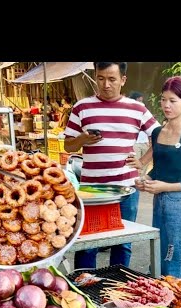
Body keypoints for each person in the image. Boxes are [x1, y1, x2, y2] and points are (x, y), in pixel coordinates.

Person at [63, 62, 159, 269]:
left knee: (122, 242)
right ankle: (83, 289)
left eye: (112, 79)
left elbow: (159, 137)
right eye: (100, 78)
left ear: (123, 80)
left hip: (127, 189)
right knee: (87, 243)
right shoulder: (82, 107)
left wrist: (142, 162)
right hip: (91, 189)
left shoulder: (137, 109)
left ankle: (117, 285)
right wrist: (82, 139)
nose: (106, 84)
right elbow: (67, 145)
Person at [130, 76, 181, 280]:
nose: (166, 105)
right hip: (159, 203)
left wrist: (166, 186)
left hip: (180, 206)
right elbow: (161, 168)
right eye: (163, 99)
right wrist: (145, 179)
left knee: (178, 262)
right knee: (161, 257)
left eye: (172, 101)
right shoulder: (156, 132)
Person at [127, 91, 151, 164]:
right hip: (135, 144)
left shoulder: (144, 112)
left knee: (144, 165)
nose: (141, 103)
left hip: (145, 143)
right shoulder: (128, 113)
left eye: (142, 101)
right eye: (139, 101)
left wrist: (149, 141)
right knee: (135, 165)